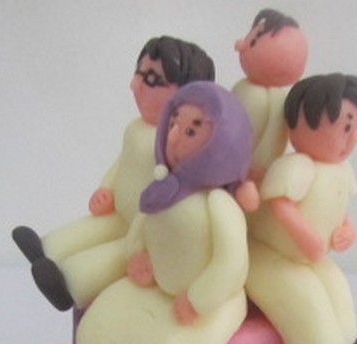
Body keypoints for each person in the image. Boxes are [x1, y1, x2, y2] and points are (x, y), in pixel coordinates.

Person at [76, 82, 253, 344]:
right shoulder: (162, 189)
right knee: (98, 330)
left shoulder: (218, 204)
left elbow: (232, 263)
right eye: (173, 124)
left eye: (191, 130)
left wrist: (199, 299)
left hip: (206, 303)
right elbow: (141, 225)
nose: (173, 136)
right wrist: (137, 254)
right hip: (153, 287)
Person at [12, 37, 215, 311]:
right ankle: (47, 249)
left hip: (143, 228)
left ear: (188, 96)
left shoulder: (176, 146)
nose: (134, 85)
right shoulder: (135, 128)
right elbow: (122, 163)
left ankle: (69, 284)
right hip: (119, 210)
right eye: (138, 74)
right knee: (89, 227)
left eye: (151, 79)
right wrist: (106, 188)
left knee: (112, 257)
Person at [246, 73, 357, 344]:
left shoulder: (341, 170)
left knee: (335, 284)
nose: (354, 138)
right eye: (346, 127)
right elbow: (281, 204)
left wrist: (347, 230)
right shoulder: (296, 166)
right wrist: (305, 235)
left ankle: (346, 340)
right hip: (272, 255)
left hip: (311, 258)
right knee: (302, 295)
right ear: (306, 120)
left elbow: (339, 206)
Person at [233, 8, 308, 182]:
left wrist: (256, 166)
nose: (241, 45)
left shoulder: (272, 100)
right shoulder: (243, 87)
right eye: (249, 38)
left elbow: (270, 140)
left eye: (253, 42)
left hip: (252, 172)